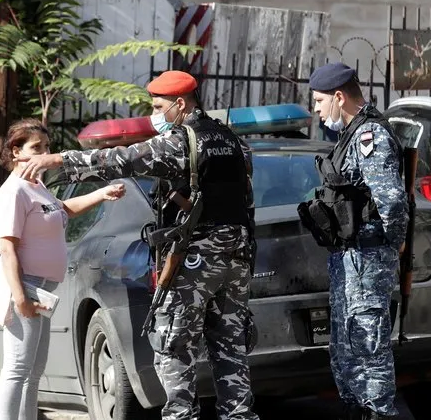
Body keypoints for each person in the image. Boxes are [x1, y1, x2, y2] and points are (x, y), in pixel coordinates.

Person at [14, 71, 260, 420]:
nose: (154, 114)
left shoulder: (179, 142)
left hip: (195, 259)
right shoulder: (234, 141)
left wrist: (58, 161)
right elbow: (247, 203)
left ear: (180, 103)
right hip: (236, 257)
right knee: (231, 350)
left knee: (173, 348)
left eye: (158, 106)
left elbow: (120, 160)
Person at [0, 118, 126, 420]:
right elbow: (7, 248)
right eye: (36, 148)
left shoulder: (38, 186)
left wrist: (102, 193)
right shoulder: (14, 191)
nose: (43, 154)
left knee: (34, 370)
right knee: (17, 368)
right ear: (16, 151)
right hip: (24, 286)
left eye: (46, 147)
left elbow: (64, 209)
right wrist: (20, 296)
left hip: (43, 289)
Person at [305, 63, 409, 419]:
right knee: (345, 347)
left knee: (368, 346)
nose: (315, 109)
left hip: (368, 256)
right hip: (350, 257)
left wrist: (393, 245)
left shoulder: (370, 136)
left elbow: (392, 200)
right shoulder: (349, 135)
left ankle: (377, 413)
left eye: (319, 101)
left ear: (339, 97)